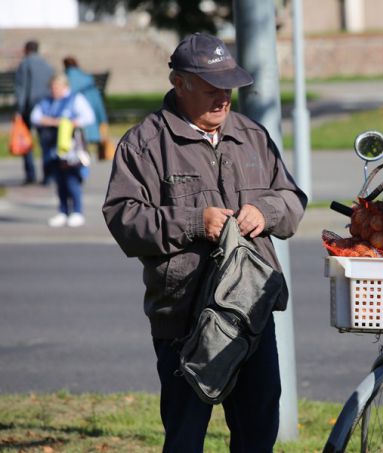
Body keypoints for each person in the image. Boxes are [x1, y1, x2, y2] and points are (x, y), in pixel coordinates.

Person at [102, 33, 307, 452]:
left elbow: (292, 200)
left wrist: (264, 212)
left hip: (251, 314)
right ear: (180, 83)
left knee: (257, 431)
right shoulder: (143, 144)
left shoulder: (253, 135)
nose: (223, 99)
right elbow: (123, 218)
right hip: (182, 319)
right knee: (185, 438)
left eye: (228, 88)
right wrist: (197, 222)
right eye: (212, 89)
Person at [31, 73, 95, 228]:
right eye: (52, 88)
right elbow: (35, 117)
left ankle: (77, 212)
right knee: (59, 181)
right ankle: (63, 211)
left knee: (72, 181)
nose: (53, 90)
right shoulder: (47, 101)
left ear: (65, 87)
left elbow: (88, 117)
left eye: (56, 87)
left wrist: (69, 123)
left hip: (71, 150)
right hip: (52, 148)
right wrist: (53, 122)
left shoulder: (75, 99)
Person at [14, 40, 54, 185]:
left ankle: (30, 174)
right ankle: (48, 175)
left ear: (26, 50)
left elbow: (21, 89)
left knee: (26, 141)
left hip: (29, 108)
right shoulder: (47, 65)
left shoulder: (25, 64)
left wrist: (18, 110)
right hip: (46, 109)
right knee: (46, 143)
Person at [63, 56, 109, 155]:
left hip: (77, 119)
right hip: (92, 114)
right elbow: (97, 101)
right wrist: (103, 118)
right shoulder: (88, 79)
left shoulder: (67, 81)